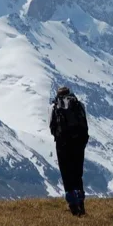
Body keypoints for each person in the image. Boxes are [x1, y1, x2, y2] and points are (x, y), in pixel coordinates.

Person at [49, 86, 90, 216]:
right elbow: (85, 123)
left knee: (67, 175)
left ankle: (73, 207)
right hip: (78, 143)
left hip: (62, 144)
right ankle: (81, 204)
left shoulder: (53, 107)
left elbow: (51, 126)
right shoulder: (79, 105)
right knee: (78, 174)